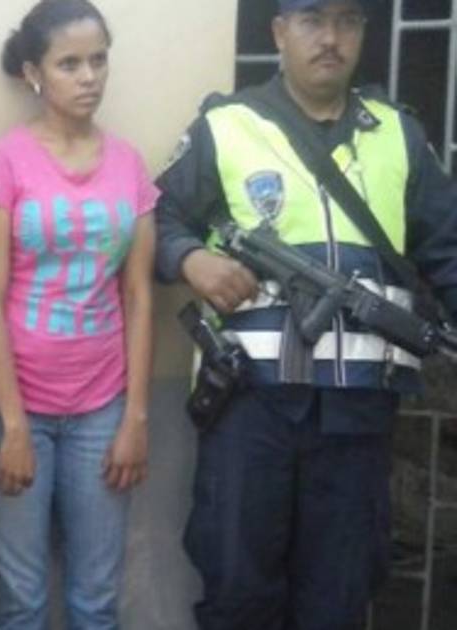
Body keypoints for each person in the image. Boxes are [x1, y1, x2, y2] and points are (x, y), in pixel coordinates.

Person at [155, 0, 457, 628]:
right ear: (280, 32)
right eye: (313, 20)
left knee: (339, 598)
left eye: (347, 21)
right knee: (238, 591)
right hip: (250, 408)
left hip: (357, 415)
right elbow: (158, 218)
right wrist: (191, 260)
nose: (330, 37)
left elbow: (448, 250)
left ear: (363, 32)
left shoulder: (397, 134)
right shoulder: (227, 126)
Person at [0, 1, 156, 628]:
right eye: (70, 64)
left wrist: (135, 416)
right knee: (20, 599)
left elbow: (139, 296)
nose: (89, 77)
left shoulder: (129, 164)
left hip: (102, 408)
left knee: (95, 598)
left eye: (98, 61)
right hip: (21, 406)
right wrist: (12, 425)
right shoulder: (5, 160)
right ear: (34, 73)